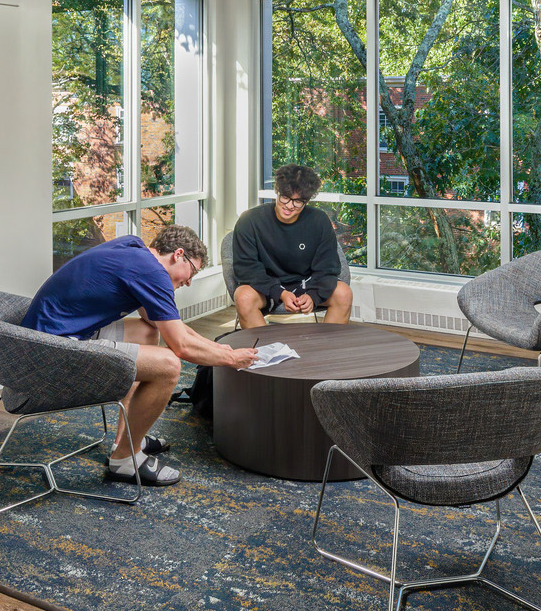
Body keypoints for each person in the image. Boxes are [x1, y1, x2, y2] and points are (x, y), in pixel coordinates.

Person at [21, 223, 256, 487]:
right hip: (52, 353)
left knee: (146, 332)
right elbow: (181, 346)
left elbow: (160, 323)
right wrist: (231, 359)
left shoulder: (134, 249)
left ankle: (125, 441)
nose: (189, 281)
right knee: (168, 366)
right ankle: (124, 461)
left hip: (45, 338)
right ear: (178, 254)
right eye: (192, 271)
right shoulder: (152, 273)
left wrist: (216, 348)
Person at [231, 164, 353, 330]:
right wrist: (279, 292)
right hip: (266, 287)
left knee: (343, 293)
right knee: (243, 297)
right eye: (285, 198)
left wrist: (313, 295)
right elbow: (246, 269)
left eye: (297, 201)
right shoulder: (249, 220)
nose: (289, 206)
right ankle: (267, 347)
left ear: (306, 201)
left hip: (307, 285)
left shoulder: (319, 221)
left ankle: (328, 346)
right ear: (277, 192)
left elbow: (328, 267)